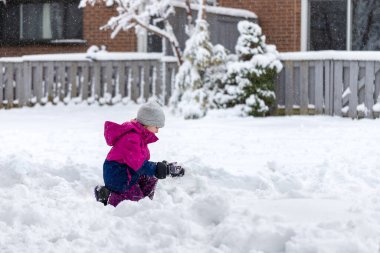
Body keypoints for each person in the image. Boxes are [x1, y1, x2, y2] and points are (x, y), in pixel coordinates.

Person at [94, 101, 185, 207]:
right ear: (148, 123)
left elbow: (140, 163)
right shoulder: (132, 138)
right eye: (157, 127)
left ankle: (146, 203)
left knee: (150, 178)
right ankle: (108, 195)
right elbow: (140, 164)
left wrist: (161, 168)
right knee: (133, 203)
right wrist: (160, 169)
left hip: (129, 171)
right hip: (119, 176)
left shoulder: (139, 136)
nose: (157, 131)